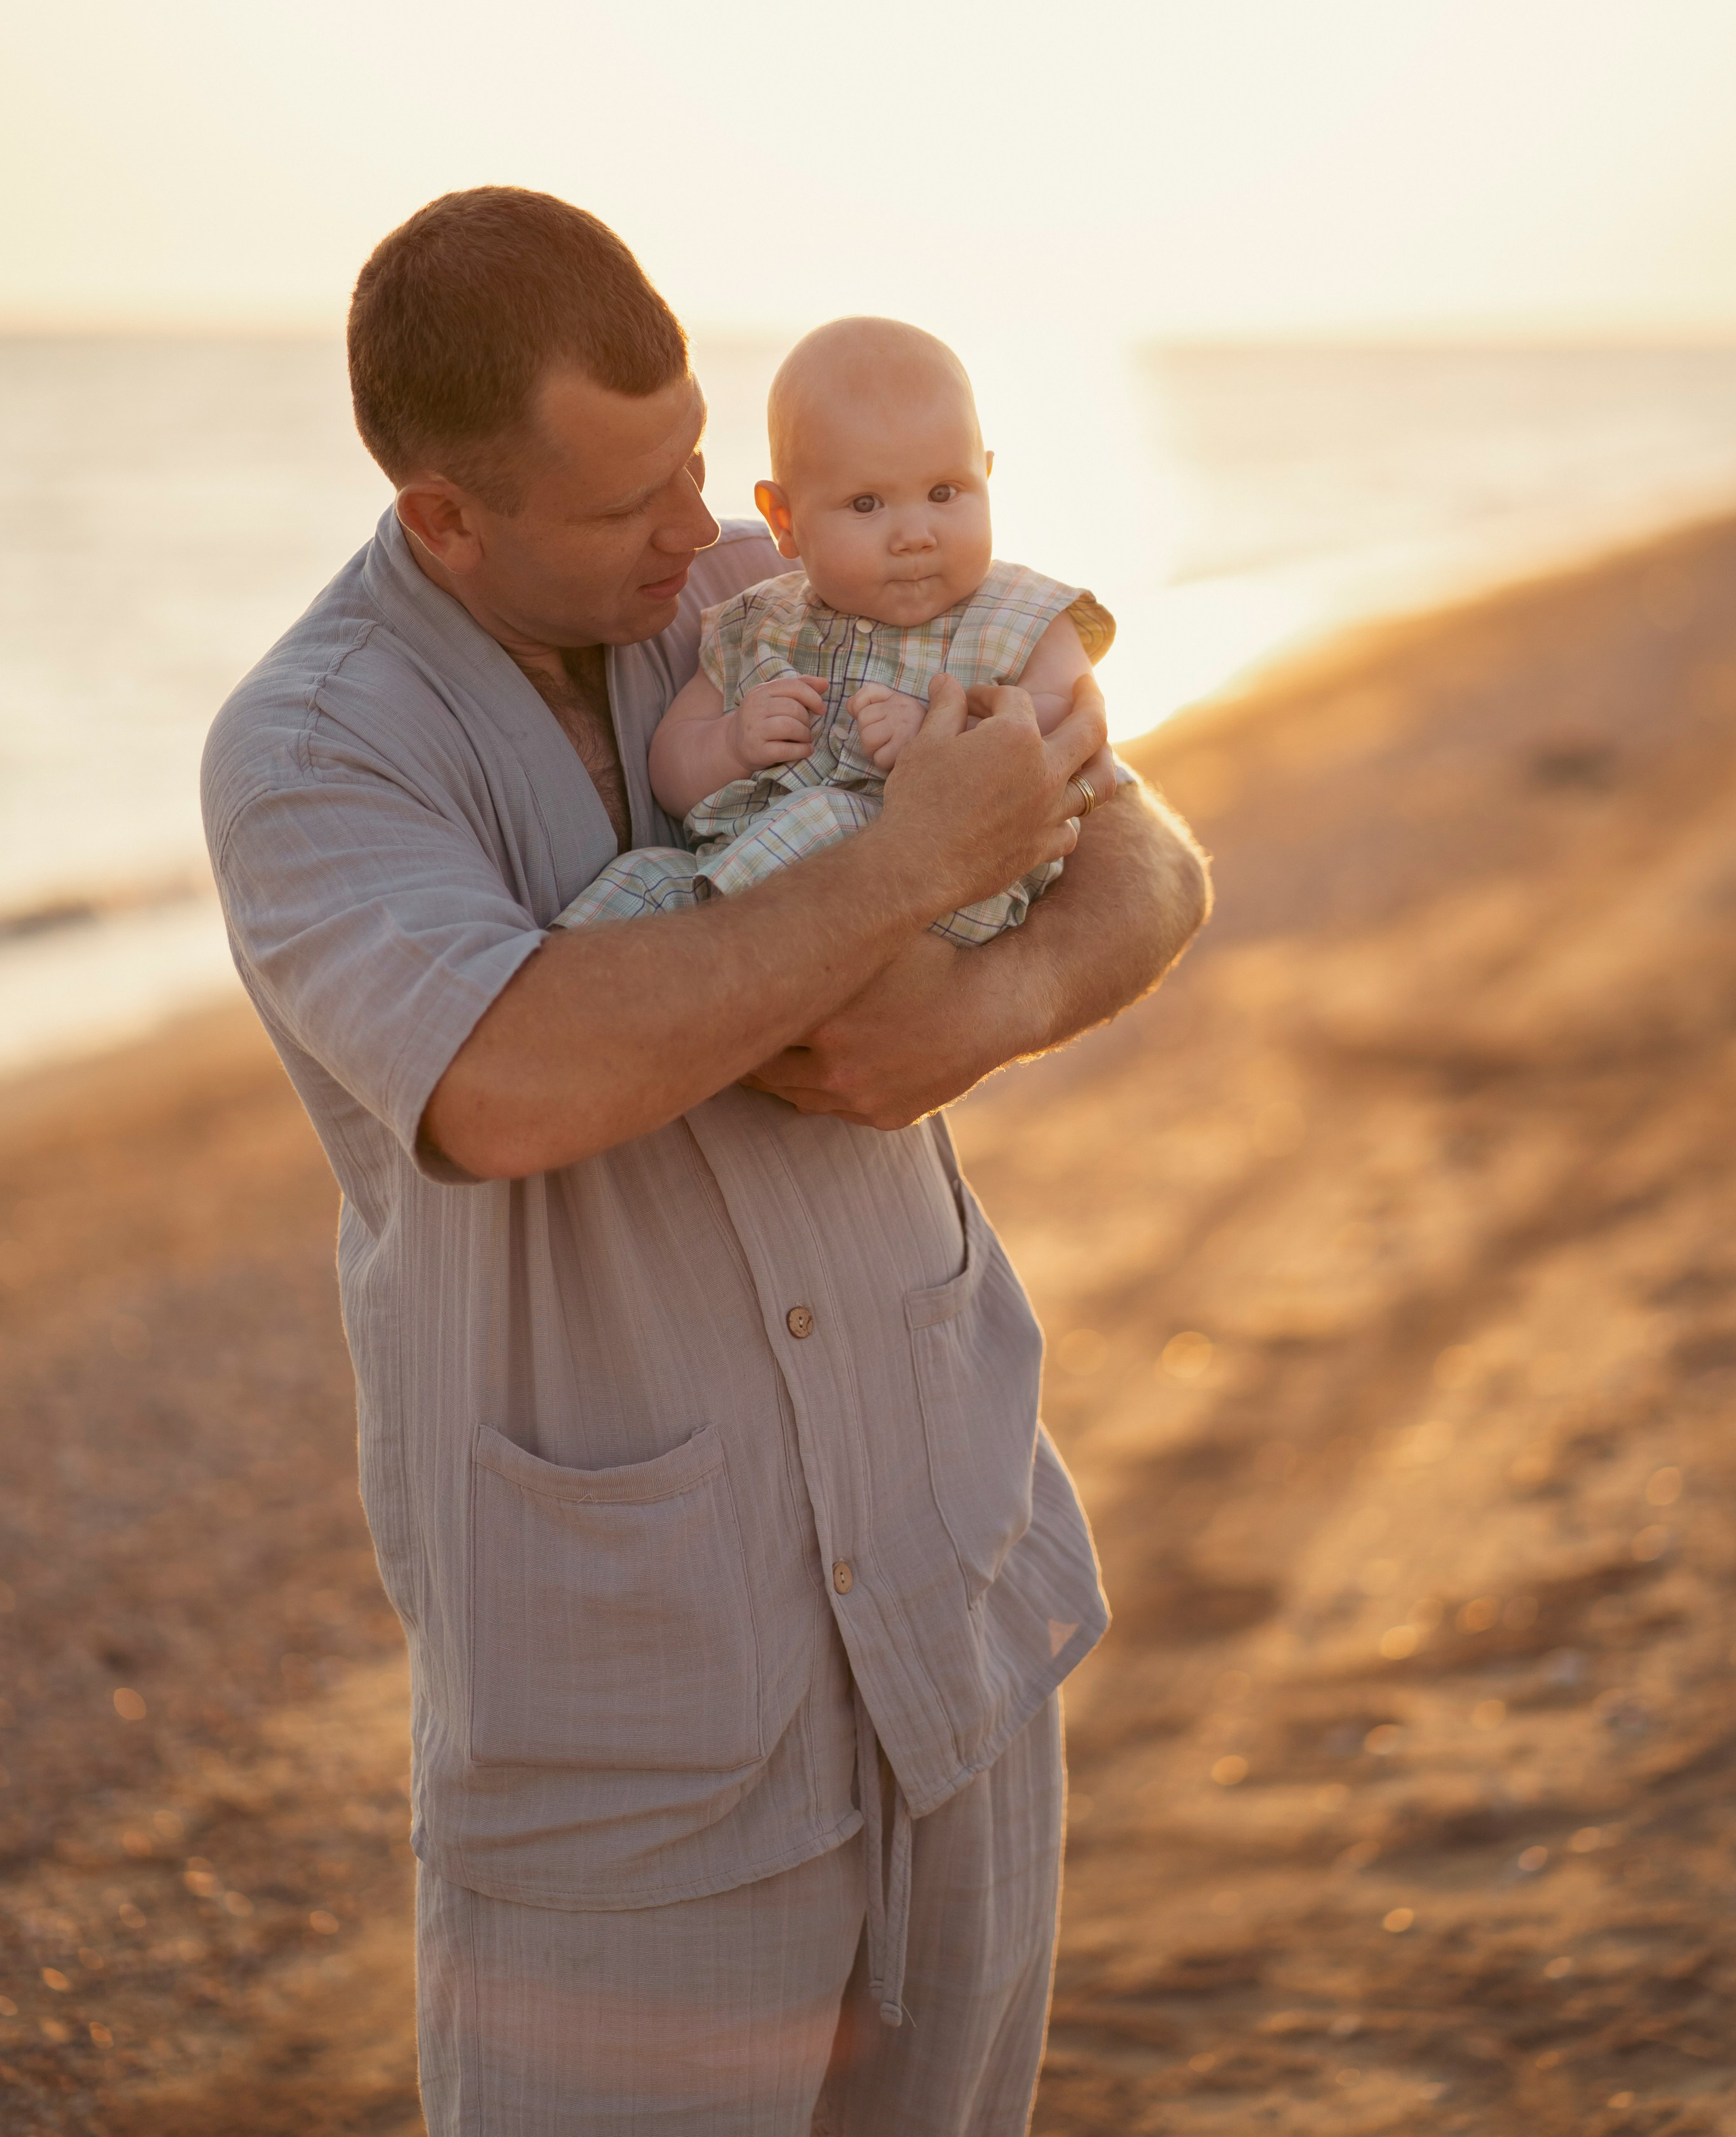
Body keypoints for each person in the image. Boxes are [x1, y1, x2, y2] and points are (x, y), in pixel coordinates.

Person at [202, 186, 1210, 2137]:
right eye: (625, 504)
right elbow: (505, 1079)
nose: (694, 530)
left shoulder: (776, 577)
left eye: (689, 461)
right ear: (446, 517)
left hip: (951, 1599)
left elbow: (1147, 848)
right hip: (635, 1739)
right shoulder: (312, 753)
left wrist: (989, 1006)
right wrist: (907, 868)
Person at [556, 311, 1120, 945]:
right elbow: (671, 770)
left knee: (827, 817)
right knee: (636, 880)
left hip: (955, 893)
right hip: (728, 880)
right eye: (866, 504)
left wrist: (944, 730)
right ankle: (567, 989)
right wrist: (732, 743)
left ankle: (710, 953)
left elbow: (1068, 732)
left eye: (944, 492)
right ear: (785, 520)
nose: (915, 535)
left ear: (985, 478)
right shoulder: (754, 624)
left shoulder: (1026, 612)